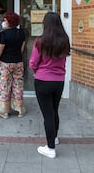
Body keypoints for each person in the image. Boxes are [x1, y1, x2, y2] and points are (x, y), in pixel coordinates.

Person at [29, 12, 70, 159]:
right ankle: (54, 138)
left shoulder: (40, 41)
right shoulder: (65, 39)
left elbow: (33, 63)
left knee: (48, 115)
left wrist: (36, 72)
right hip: (59, 81)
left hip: (42, 80)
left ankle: (50, 147)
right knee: (54, 110)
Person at [0, 12, 26, 119]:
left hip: (5, 63)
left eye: (5, 20)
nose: (3, 22)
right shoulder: (21, 33)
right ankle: (20, 109)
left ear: (10, 22)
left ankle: (4, 111)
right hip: (18, 63)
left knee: (4, 87)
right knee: (18, 86)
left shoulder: (4, 34)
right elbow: (22, 49)